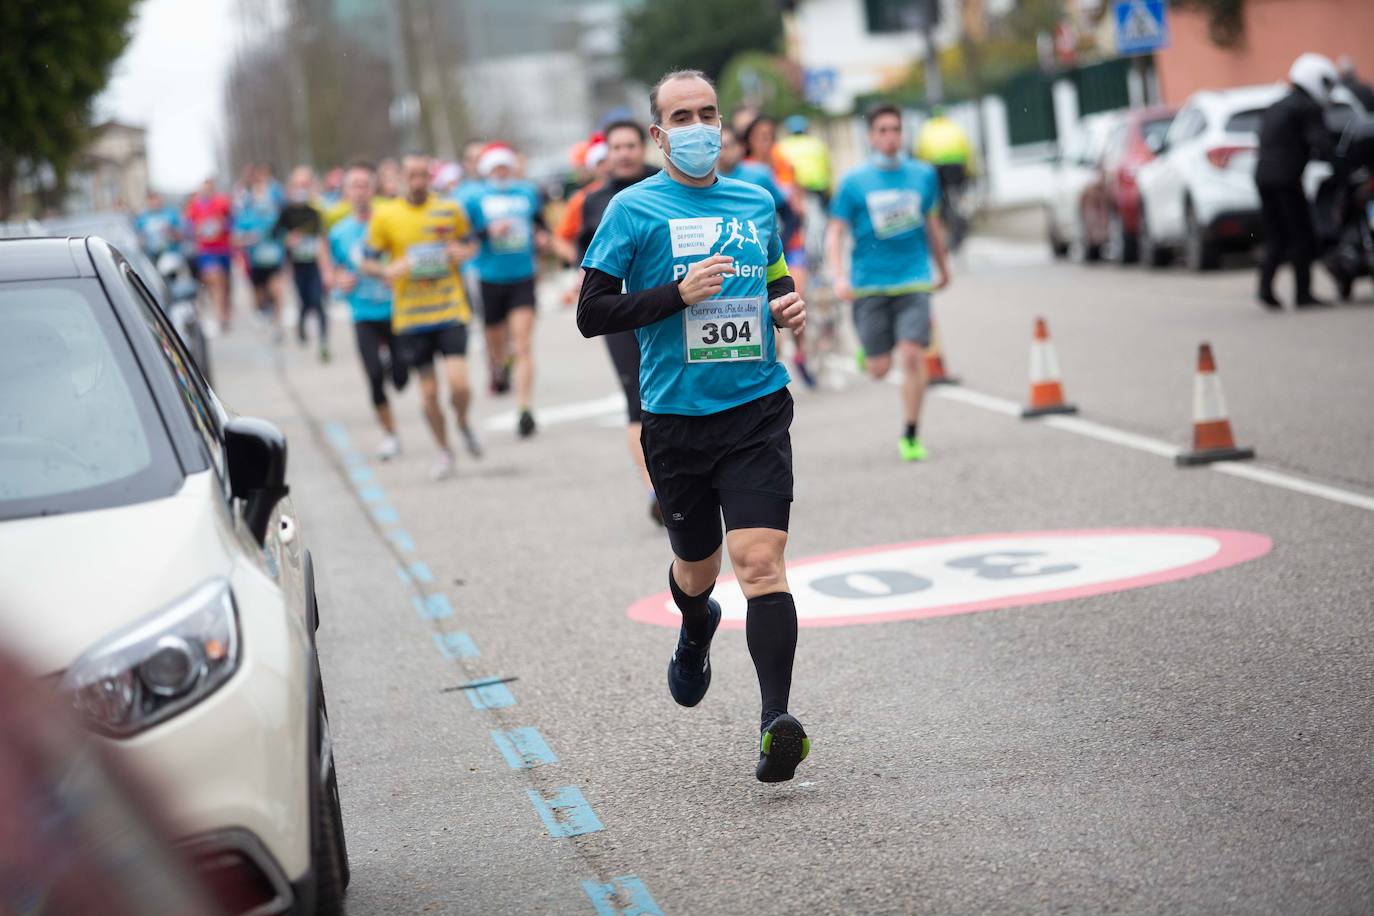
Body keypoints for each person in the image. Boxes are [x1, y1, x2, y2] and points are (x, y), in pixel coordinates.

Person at [578, 70, 810, 783]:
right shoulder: (631, 209)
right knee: (698, 569)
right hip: (676, 421)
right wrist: (674, 295)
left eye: (708, 112)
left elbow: (773, 276)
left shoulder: (755, 198)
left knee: (761, 563)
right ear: (658, 134)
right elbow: (593, 313)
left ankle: (775, 721)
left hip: (756, 407)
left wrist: (786, 306)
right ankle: (694, 623)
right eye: (683, 116)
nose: (700, 125)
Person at [826, 103, 952, 463]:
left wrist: (943, 267)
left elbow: (932, 224)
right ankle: (870, 353)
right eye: (882, 130)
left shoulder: (923, 175)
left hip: (913, 278)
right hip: (869, 284)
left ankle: (911, 434)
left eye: (895, 129)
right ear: (871, 137)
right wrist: (839, 276)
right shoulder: (854, 182)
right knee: (880, 370)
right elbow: (835, 232)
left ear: (903, 133)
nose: (890, 137)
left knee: (912, 355)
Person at [362, 153, 482, 479]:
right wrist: (387, 269)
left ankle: (462, 420)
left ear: (430, 177)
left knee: (460, 384)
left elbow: (471, 244)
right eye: (411, 176)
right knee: (429, 393)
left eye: (422, 176)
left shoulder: (449, 208)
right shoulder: (385, 216)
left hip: (450, 308)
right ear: (399, 178)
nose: (417, 182)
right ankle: (444, 450)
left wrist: (463, 252)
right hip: (412, 318)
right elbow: (366, 261)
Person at [575, 120, 662, 525]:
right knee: (636, 403)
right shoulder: (594, 201)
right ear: (606, 154)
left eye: (631, 145)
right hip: (619, 313)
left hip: (668, 308)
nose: (624, 153)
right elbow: (584, 256)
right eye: (617, 147)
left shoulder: (665, 186)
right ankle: (655, 492)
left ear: (644, 146)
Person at [463, 143, 547, 435]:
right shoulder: (475, 198)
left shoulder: (526, 193)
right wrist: (488, 232)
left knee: (523, 345)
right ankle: (500, 365)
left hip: (522, 277)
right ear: (487, 170)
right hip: (489, 278)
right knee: (497, 346)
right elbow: (465, 235)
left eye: (505, 166)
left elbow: (540, 224)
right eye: (495, 167)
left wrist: (542, 238)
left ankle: (524, 407)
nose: (502, 172)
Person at [329, 161, 408, 460]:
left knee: (401, 376)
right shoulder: (339, 232)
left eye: (365, 184)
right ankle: (390, 435)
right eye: (354, 185)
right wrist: (340, 281)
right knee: (374, 375)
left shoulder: (388, 221)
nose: (360, 191)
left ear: (373, 189)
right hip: (363, 313)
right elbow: (337, 271)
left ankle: (398, 367)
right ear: (346, 191)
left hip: (396, 309)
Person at [1255, 53, 1339, 309]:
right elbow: (1319, 142)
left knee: (1277, 236)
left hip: (1262, 177)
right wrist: (1339, 162)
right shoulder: (1307, 107)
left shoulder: (1278, 105)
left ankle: (1265, 289)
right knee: (1302, 236)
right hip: (1286, 180)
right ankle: (1303, 295)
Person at [743, 114, 816, 388]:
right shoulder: (744, 171)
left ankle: (800, 352)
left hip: (790, 242)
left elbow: (796, 206)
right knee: (765, 309)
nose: (767, 142)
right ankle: (770, 362)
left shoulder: (785, 166)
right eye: (760, 137)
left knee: (795, 295)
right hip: (757, 250)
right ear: (748, 141)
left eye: (770, 136)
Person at [275, 166, 331, 360]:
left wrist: (327, 269)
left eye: (305, 185)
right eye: (299, 185)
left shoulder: (315, 211)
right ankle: (301, 330)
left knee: (318, 302)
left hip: (315, 264)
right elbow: (274, 234)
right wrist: (287, 239)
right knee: (305, 302)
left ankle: (324, 343)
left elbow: (323, 238)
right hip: (297, 266)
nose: (302, 189)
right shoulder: (286, 212)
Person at [233, 166, 286, 337]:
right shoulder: (246, 214)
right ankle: (263, 313)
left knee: (277, 289)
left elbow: (285, 231)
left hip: (275, 257)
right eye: (258, 190)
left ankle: (278, 324)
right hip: (255, 260)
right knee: (260, 293)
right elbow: (236, 238)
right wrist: (250, 238)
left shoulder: (276, 213)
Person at [184, 178, 234, 330]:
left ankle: (225, 311)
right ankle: (219, 316)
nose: (207, 192)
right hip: (206, 251)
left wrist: (223, 225)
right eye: (204, 189)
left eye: (209, 188)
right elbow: (188, 227)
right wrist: (197, 230)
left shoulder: (223, 203)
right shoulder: (195, 206)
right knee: (214, 281)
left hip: (223, 249)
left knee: (224, 284)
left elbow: (233, 221)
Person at [915, 106, 974, 215]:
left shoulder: (927, 128)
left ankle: (943, 211)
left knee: (939, 191)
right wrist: (970, 169)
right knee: (959, 188)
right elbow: (967, 147)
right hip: (957, 164)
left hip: (937, 165)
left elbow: (921, 151)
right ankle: (963, 210)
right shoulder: (954, 126)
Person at [777, 115, 832, 207]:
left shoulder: (782, 146)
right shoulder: (817, 143)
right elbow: (827, 167)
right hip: (819, 187)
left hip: (796, 190)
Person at [135, 191, 184, 260]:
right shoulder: (142, 217)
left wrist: (171, 232)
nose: (155, 203)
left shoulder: (171, 213)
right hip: (151, 255)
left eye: (156, 200)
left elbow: (180, 236)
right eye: (152, 201)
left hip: (170, 253)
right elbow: (139, 236)